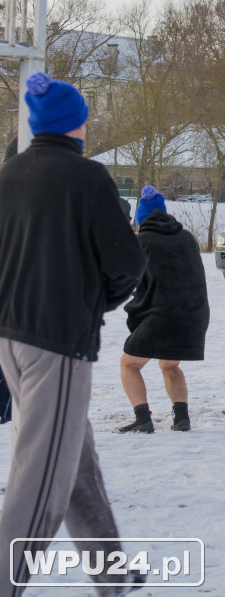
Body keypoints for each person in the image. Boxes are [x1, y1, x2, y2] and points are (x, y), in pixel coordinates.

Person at [0, 71, 147, 597]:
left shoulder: (10, 173)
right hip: (57, 343)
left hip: (11, 339)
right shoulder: (88, 179)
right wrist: (97, 302)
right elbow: (129, 264)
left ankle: (113, 575)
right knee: (40, 484)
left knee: (72, 458)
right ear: (76, 123)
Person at [119, 185, 209, 434]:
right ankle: (182, 419)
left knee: (129, 364)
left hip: (160, 316)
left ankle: (142, 419)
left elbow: (129, 280)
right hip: (193, 314)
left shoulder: (142, 242)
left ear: (140, 218)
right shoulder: (188, 238)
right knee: (170, 365)